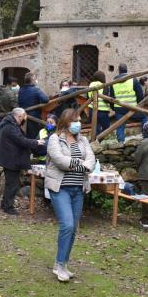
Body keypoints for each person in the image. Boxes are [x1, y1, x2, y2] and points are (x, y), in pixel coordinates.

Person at [45, 107, 95, 282]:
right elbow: (60, 160)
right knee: (66, 225)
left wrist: (82, 164)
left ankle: (63, 263)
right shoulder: (54, 139)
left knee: (73, 229)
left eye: (80, 120)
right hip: (60, 189)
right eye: (76, 120)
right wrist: (81, 164)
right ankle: (59, 264)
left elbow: (92, 160)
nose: (79, 124)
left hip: (78, 189)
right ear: (67, 122)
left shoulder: (83, 140)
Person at [0, 107, 45, 214]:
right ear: (19, 117)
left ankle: (5, 204)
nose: (24, 120)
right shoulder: (10, 127)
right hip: (10, 160)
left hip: (9, 158)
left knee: (11, 183)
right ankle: (8, 207)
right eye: (23, 117)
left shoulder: (10, 124)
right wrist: (36, 142)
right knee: (12, 184)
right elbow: (21, 140)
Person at [110, 63, 145, 143]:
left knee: (120, 125)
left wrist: (114, 108)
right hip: (132, 107)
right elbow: (140, 95)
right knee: (144, 118)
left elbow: (111, 97)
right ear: (126, 70)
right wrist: (139, 106)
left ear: (119, 71)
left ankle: (120, 143)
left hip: (119, 108)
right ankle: (145, 137)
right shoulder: (133, 80)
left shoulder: (113, 82)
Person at [18, 72, 49, 140]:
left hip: (24, 116)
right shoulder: (35, 89)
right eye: (35, 79)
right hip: (34, 116)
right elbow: (46, 99)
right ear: (32, 80)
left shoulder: (21, 90)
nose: (36, 80)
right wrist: (37, 87)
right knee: (35, 135)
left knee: (26, 135)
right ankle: (34, 149)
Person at [88, 71, 111, 137]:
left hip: (91, 109)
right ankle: (98, 140)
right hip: (102, 110)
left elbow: (88, 97)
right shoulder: (104, 85)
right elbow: (106, 99)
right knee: (107, 127)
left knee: (96, 128)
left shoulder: (90, 85)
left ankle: (94, 140)